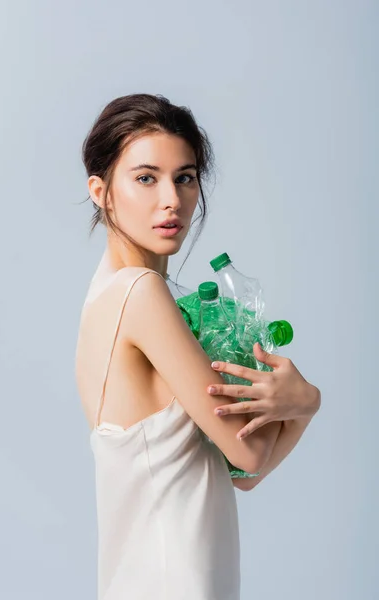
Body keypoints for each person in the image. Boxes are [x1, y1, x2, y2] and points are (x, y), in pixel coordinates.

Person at [75, 93, 321, 600]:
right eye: (146, 178)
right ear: (101, 191)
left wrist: (286, 412)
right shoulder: (139, 293)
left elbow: (238, 473)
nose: (171, 199)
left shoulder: (107, 294)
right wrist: (304, 403)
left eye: (185, 177)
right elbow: (251, 454)